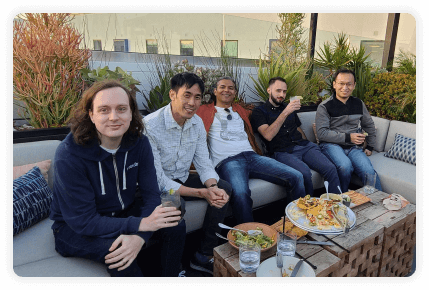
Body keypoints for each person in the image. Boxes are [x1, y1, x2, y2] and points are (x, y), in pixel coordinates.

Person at [49, 79, 186, 277]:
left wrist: (139, 236)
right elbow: (84, 221)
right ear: (91, 114)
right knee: (118, 253)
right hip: (75, 229)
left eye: (122, 109)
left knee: (174, 221)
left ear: (132, 113)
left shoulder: (139, 143)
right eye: (104, 110)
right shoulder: (70, 154)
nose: (114, 117)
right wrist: (140, 224)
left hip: (124, 212)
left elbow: (151, 196)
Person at [143, 72, 232, 276]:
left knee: (224, 188)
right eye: (187, 95)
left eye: (198, 97)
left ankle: (203, 255)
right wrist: (201, 194)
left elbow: (203, 163)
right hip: (155, 185)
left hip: (182, 177)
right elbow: (159, 180)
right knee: (174, 208)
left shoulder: (197, 123)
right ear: (172, 95)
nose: (192, 102)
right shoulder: (151, 126)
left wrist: (212, 187)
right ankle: (171, 271)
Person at [196, 76, 306, 225]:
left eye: (231, 88)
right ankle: (248, 236)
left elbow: (265, 113)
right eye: (222, 87)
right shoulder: (202, 111)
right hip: (227, 161)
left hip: (252, 157)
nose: (227, 90)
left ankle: (296, 224)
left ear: (235, 93)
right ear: (214, 91)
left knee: (297, 176)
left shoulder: (241, 110)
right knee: (241, 193)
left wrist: (286, 109)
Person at [250, 77, 341, 197]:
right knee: (304, 173)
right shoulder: (259, 111)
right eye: (278, 91)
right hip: (282, 152)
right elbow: (268, 135)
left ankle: (336, 204)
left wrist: (309, 144)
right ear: (268, 90)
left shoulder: (289, 107)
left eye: (284, 91)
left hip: (303, 146)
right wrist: (285, 112)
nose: (281, 94)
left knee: (330, 168)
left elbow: (298, 129)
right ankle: (309, 208)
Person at [315, 68, 382, 193]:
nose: (345, 87)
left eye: (349, 84)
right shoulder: (324, 106)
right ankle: (342, 200)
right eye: (341, 83)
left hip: (353, 147)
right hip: (331, 145)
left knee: (369, 171)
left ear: (354, 85)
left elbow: (369, 125)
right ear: (334, 84)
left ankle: (378, 202)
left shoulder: (358, 103)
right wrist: (348, 137)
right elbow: (322, 133)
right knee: (345, 166)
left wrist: (370, 146)